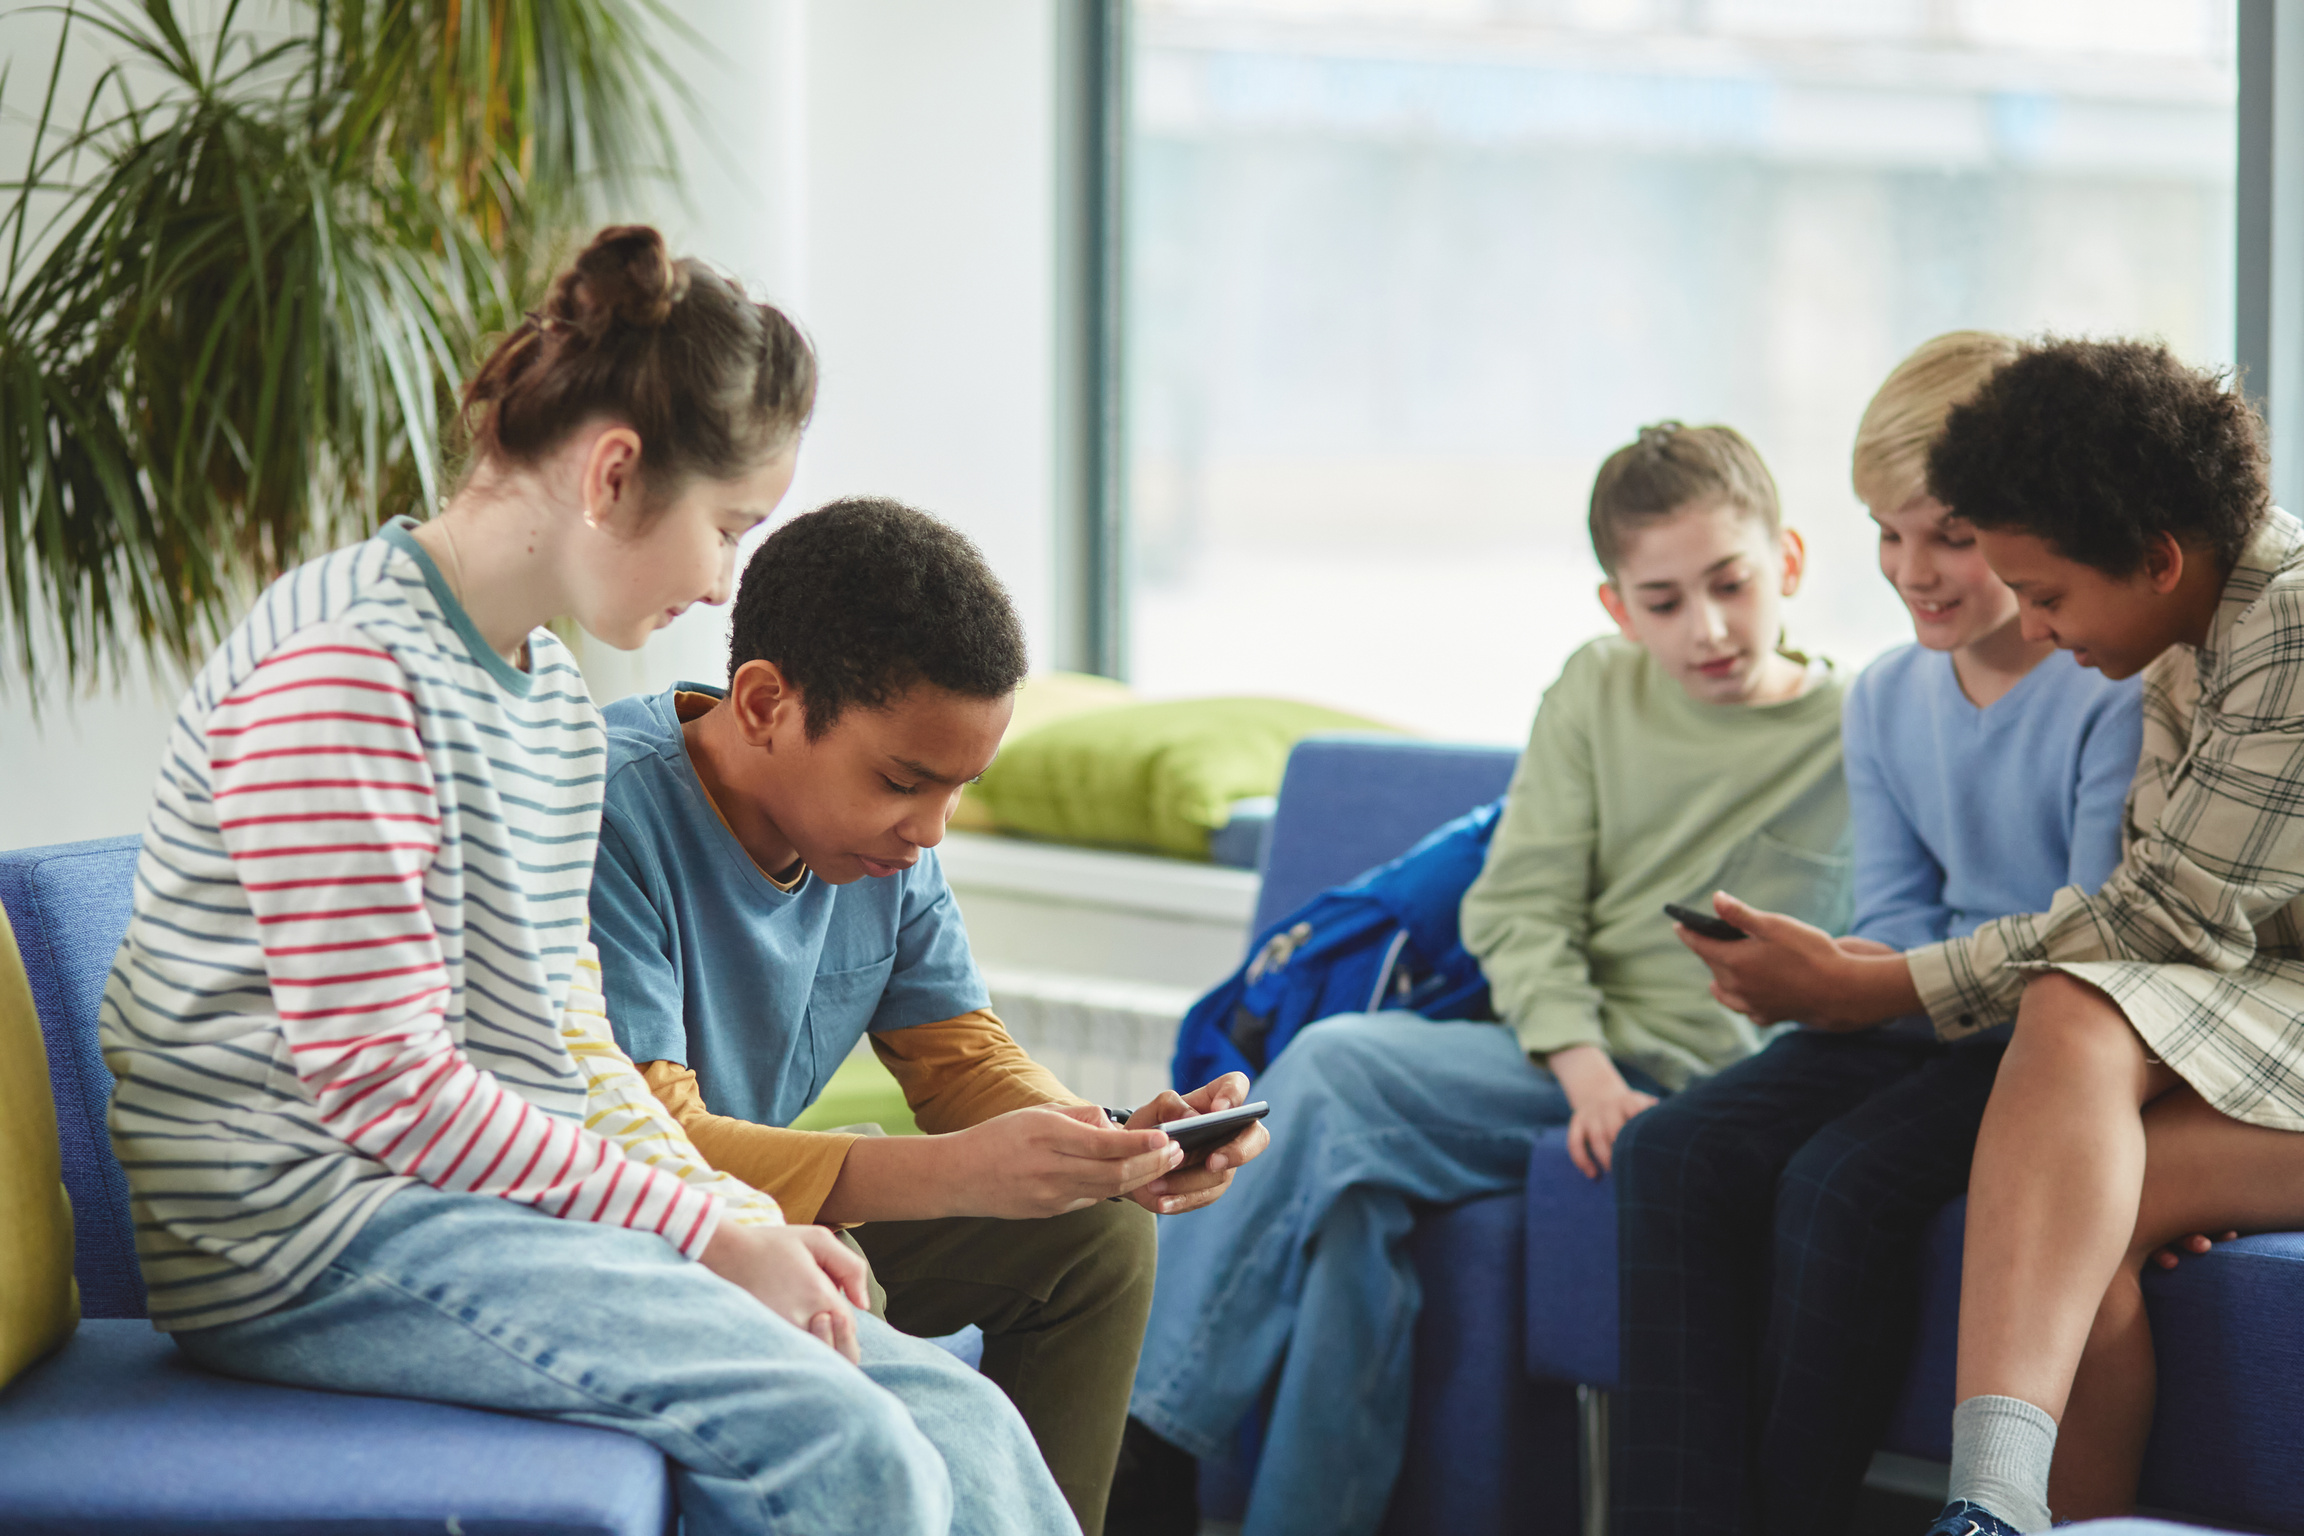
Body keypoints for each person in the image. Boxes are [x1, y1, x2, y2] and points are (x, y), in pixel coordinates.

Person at [99, 224, 1078, 1536]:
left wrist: (727, 1212)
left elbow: (563, 1042)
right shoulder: (343, 676)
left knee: (960, 1422)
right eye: (729, 526)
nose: (729, 578)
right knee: (854, 1452)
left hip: (466, 1204)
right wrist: (711, 1239)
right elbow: (390, 1091)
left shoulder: (551, 699)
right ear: (615, 475)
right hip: (302, 1239)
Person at [1110, 422, 1855, 1536]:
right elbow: (1520, 906)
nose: (1704, 628)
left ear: (1788, 563)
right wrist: (1589, 1072)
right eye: (1661, 601)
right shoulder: (1597, 690)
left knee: (1338, 1088)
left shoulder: (1859, 728)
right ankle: (1208, 1479)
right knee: (1351, 1179)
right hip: (1555, 1063)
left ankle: (1143, 1453)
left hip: (1716, 1094)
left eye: (1731, 585)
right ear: (1616, 608)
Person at [1674, 337, 2304, 1535]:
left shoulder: (2292, 631)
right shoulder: (2190, 633)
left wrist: (1881, 988)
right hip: (2273, 1019)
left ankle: (1987, 1509)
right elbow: (2194, 947)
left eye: (2052, 594)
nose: (2040, 624)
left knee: (2077, 1006)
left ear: (2158, 558)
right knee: (2100, 1204)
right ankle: (2027, 1521)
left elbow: (2159, 922)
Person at [585, 495, 1270, 1536]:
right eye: (906, 780)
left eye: (960, 789)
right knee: (847, 1271)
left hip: (768, 1203)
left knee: (1096, 1236)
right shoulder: (604, 809)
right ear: (765, 703)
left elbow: (963, 1061)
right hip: (632, 1225)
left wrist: (1098, 1143)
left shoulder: (881, 847)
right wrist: (956, 1170)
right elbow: (651, 1142)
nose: (931, 830)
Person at [1608, 333, 2144, 1536]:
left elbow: (2089, 947)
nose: (1916, 569)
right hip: (1917, 1014)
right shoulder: (1888, 699)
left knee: (1836, 1185)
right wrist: (1810, 974)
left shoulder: (2108, 690)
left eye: (1951, 535)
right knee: (1671, 1154)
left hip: (2038, 1047)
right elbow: (1900, 920)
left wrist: (1868, 986)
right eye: (1889, 535)